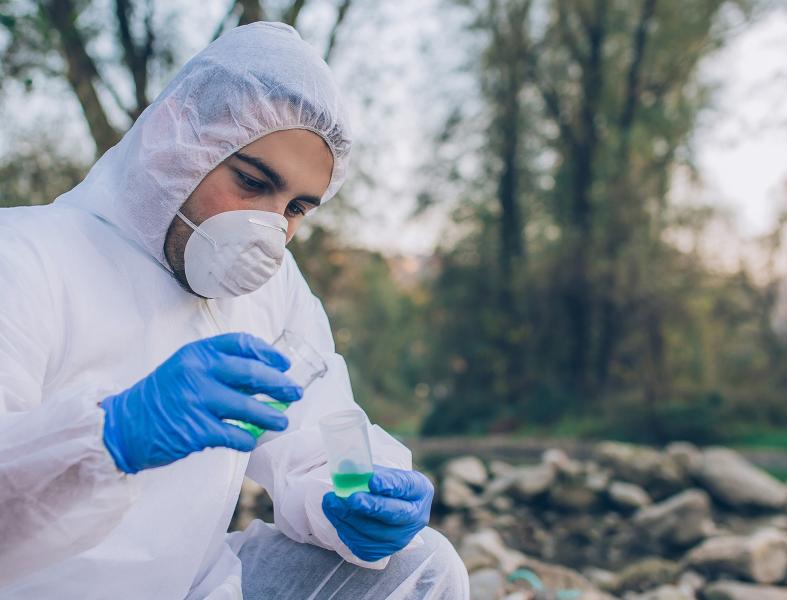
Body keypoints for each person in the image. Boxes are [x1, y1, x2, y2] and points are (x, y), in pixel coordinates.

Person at [0, 22, 468, 599]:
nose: (270, 230)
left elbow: (318, 437)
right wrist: (110, 434)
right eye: (251, 182)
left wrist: (355, 498)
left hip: (186, 587)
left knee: (422, 568)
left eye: (296, 207)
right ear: (176, 137)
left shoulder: (270, 291)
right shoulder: (24, 258)